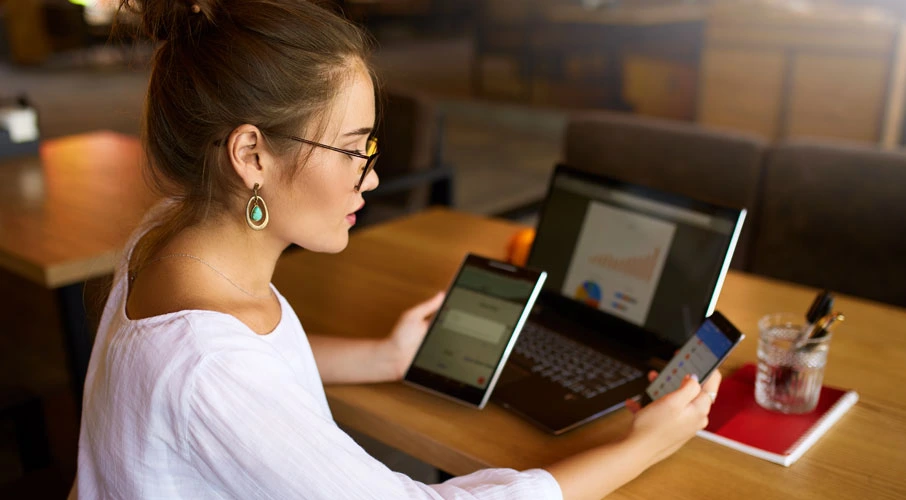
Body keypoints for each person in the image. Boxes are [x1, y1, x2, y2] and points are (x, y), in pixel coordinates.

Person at [73, 1, 722, 499]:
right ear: (251, 155)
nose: (372, 176)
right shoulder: (207, 370)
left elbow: (253, 362)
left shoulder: (174, 236)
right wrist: (644, 446)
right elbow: (222, 378)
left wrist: (385, 356)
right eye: (354, 149)